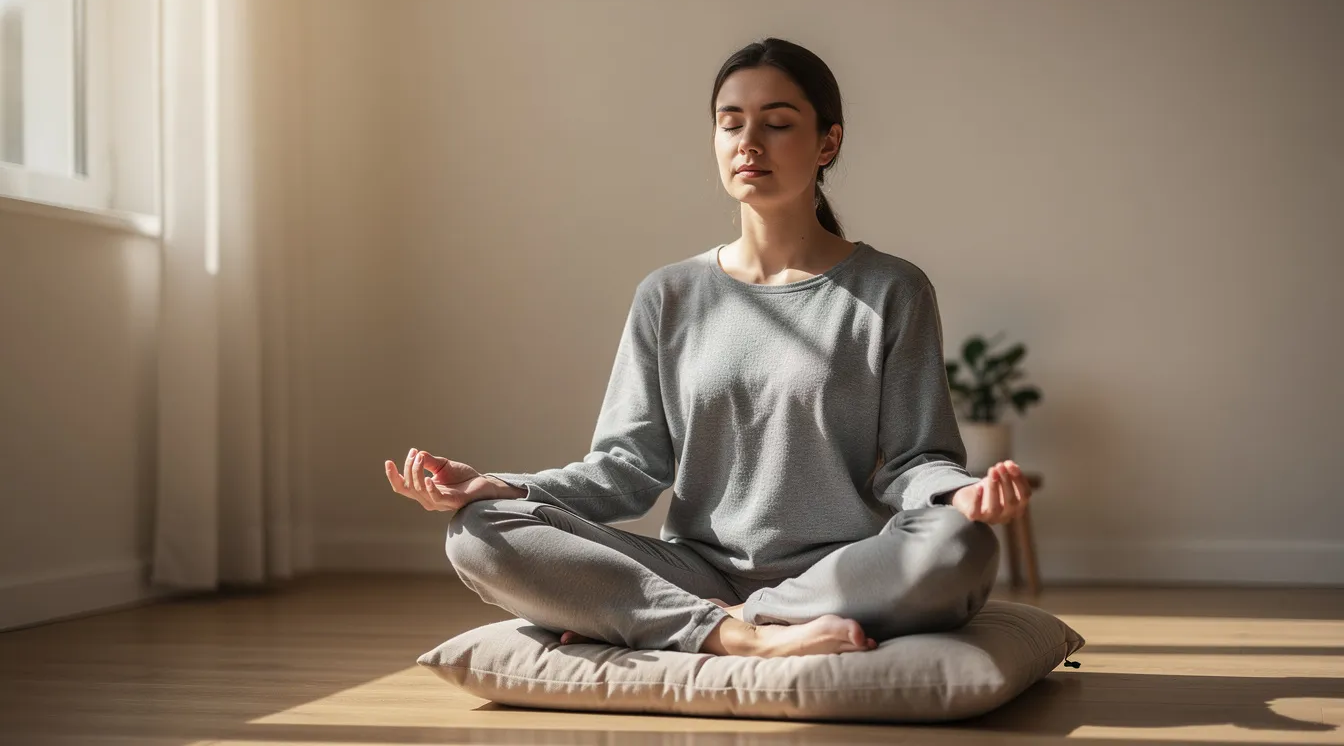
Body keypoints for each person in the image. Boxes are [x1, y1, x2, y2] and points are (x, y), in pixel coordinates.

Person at [382, 37, 1032, 659]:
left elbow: (915, 461)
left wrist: (961, 496)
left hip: (841, 572)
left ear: (827, 141)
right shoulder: (669, 294)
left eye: (777, 123)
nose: (749, 142)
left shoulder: (891, 289)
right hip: (696, 572)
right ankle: (738, 636)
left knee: (959, 548)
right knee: (479, 531)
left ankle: (693, 622)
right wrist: (500, 485)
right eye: (731, 123)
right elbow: (625, 470)